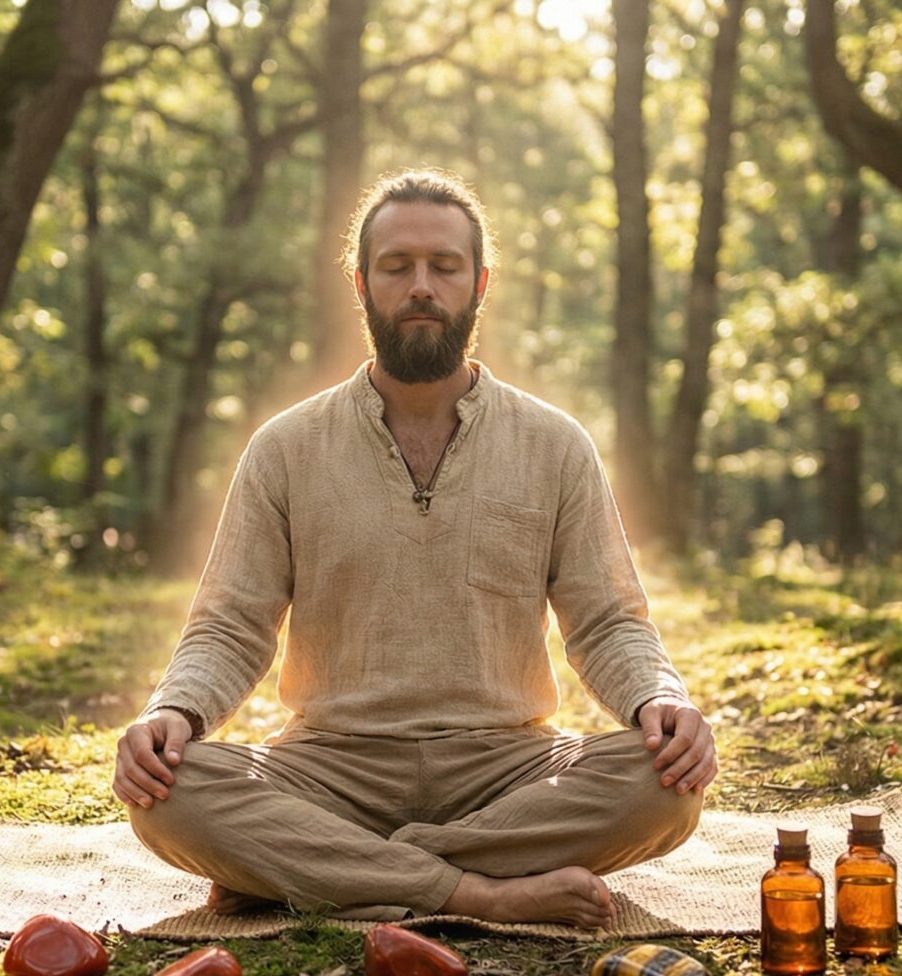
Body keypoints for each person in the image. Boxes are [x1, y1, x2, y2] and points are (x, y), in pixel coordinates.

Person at [114, 169, 716, 929]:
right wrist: (175, 710)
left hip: (509, 768)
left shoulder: (555, 445)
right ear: (362, 284)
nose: (422, 286)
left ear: (480, 283)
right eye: (398, 266)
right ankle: (480, 891)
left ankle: (327, 868)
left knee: (663, 784)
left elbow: (608, 621)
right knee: (170, 792)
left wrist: (660, 698)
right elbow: (231, 624)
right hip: (328, 766)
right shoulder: (285, 448)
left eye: (445, 266)